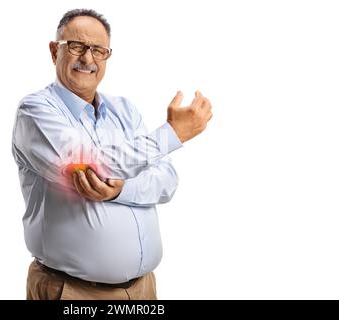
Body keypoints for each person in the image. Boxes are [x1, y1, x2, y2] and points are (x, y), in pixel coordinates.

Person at [11, 8, 213, 300]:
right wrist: (172, 134)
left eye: (98, 50)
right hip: (71, 292)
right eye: (77, 46)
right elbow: (92, 167)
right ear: (55, 51)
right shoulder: (35, 111)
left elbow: (167, 180)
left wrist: (121, 189)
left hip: (143, 290)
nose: (88, 58)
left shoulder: (125, 110)